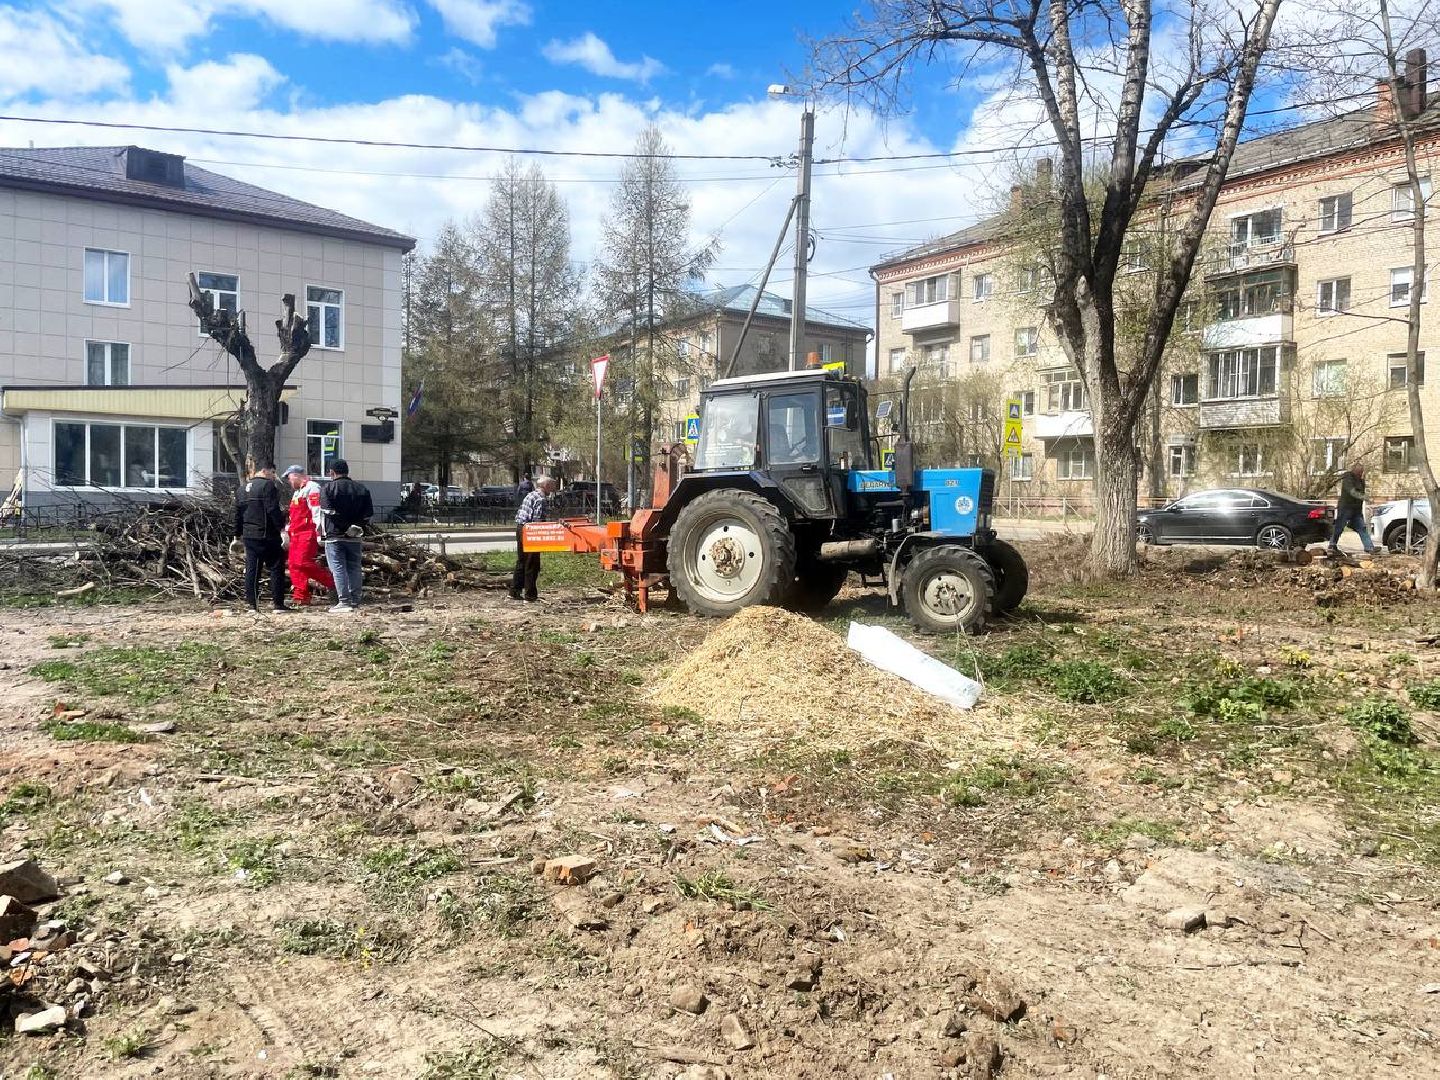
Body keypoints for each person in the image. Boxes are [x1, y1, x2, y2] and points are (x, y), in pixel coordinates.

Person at [233, 462, 289, 612]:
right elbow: (272, 509)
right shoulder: (267, 486)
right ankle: (278, 604)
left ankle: (252, 604)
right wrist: (282, 529)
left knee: (252, 568)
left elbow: (238, 515)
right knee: (276, 567)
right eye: (272, 473)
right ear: (264, 471)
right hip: (267, 534)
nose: (273, 476)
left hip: (249, 535)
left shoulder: (241, 489)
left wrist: (236, 535)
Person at [319, 459, 373, 613]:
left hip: (335, 535)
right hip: (355, 536)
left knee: (338, 568)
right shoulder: (362, 489)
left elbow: (328, 511)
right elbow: (368, 515)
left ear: (331, 472)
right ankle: (355, 600)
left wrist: (344, 527)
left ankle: (344, 601)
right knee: (355, 567)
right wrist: (355, 527)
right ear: (347, 471)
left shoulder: (327, 488)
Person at [282, 465, 335, 606]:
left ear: (296, 475)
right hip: (296, 534)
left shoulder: (312, 488)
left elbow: (317, 511)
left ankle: (333, 583)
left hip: (307, 533)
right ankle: (301, 596)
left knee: (303, 562)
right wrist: (287, 530)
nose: (288, 481)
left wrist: (320, 533)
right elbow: (294, 516)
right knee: (294, 565)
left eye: (289, 477)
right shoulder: (297, 492)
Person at [511, 475, 556, 602]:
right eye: (552, 485)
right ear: (545, 486)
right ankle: (530, 596)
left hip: (520, 528)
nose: (553, 488)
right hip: (531, 531)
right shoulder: (541, 499)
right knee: (532, 563)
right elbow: (537, 520)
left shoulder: (530, 495)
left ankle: (514, 591)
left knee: (521, 561)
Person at [1329, 462, 1376, 557]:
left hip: (1356, 510)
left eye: (1362, 472)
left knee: (1362, 528)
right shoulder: (1348, 478)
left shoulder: (1361, 481)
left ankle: (1369, 547)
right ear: (1355, 471)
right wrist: (1365, 497)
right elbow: (1352, 492)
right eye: (1359, 472)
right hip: (1345, 508)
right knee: (1339, 527)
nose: (1361, 474)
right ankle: (1332, 545)